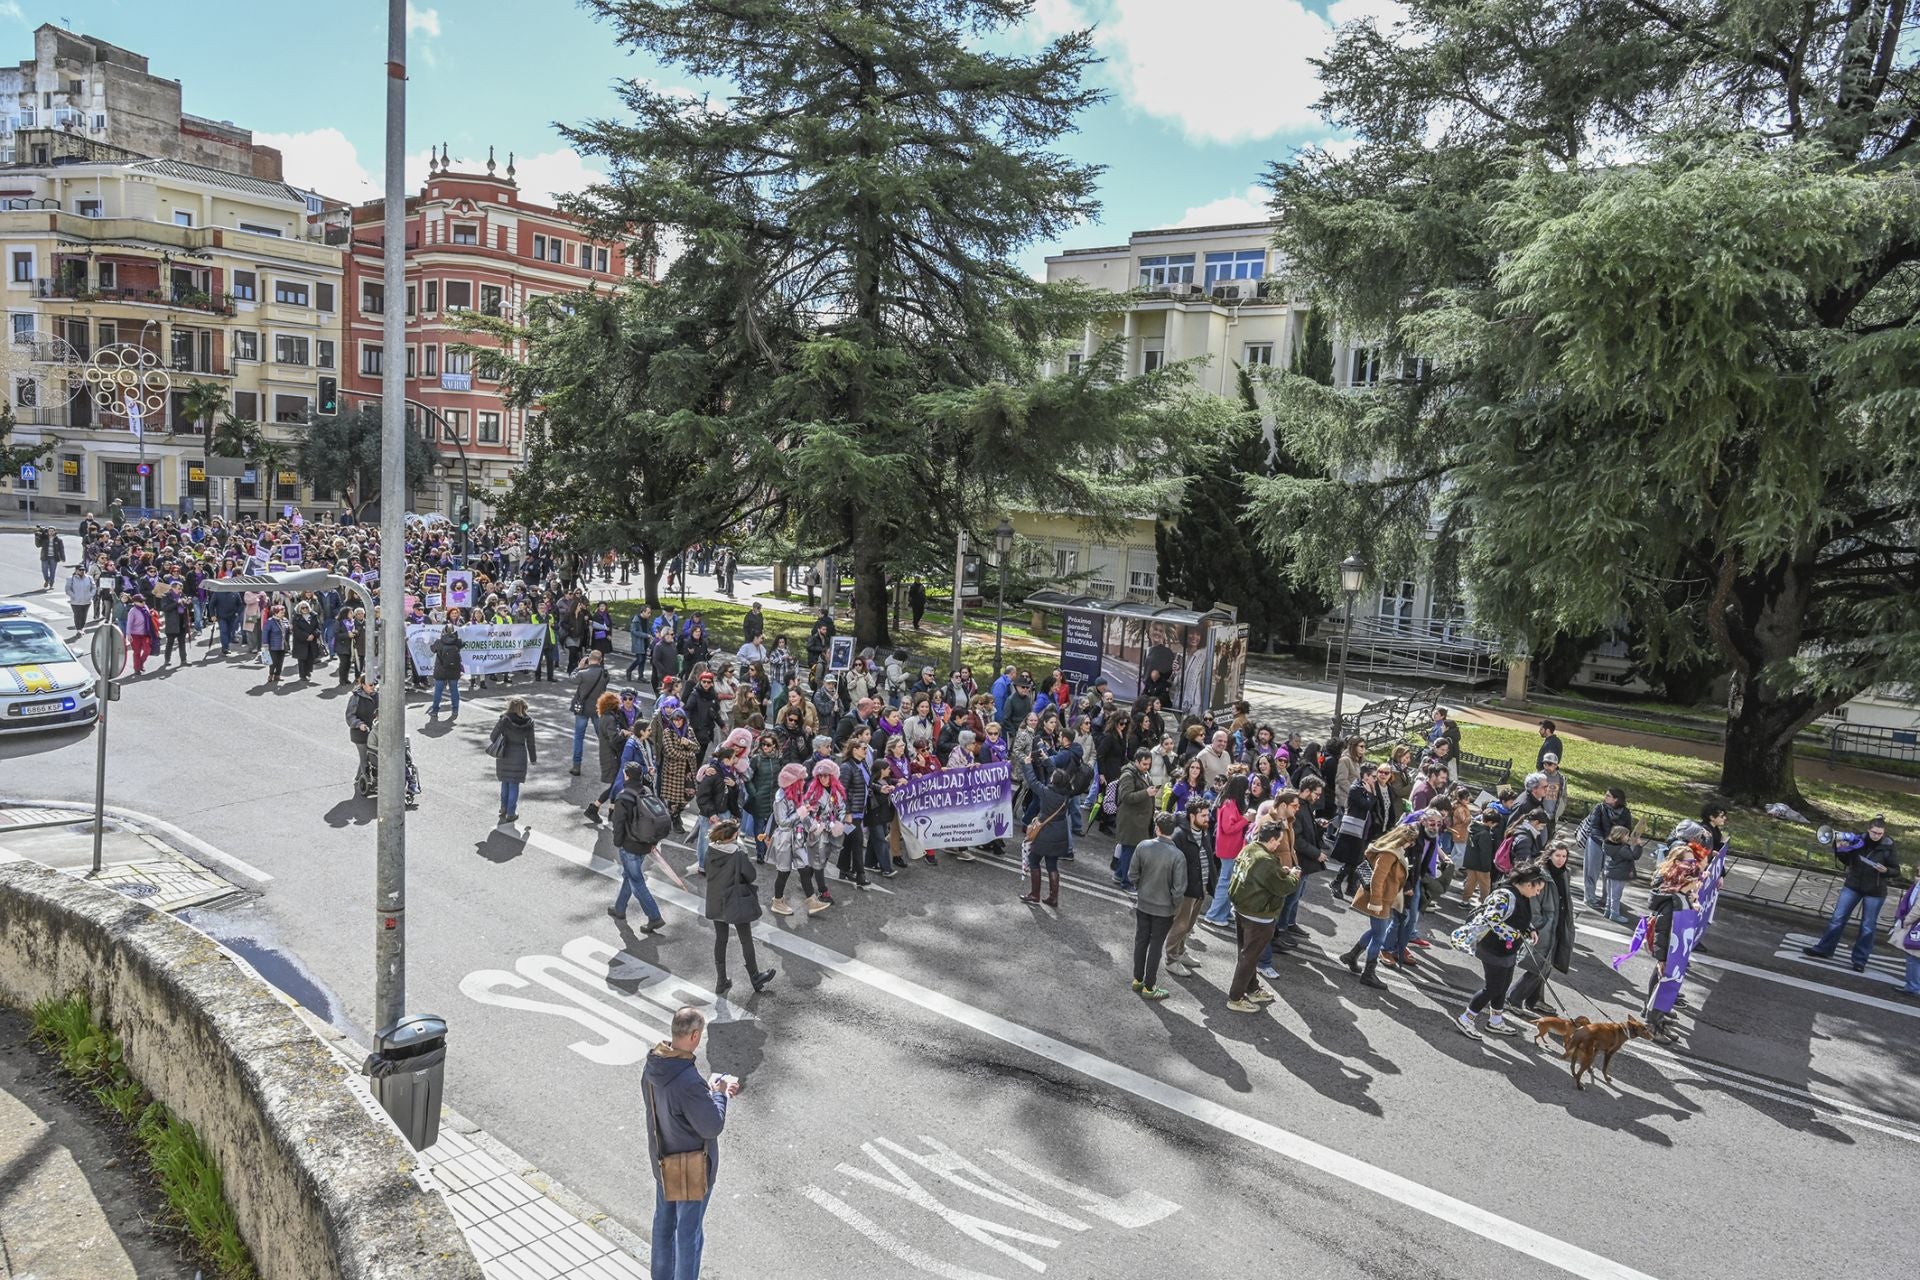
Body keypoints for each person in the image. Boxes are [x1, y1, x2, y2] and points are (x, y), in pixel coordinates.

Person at [644, 1006, 737, 1280]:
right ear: (694, 1035)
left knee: (664, 1224)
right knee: (688, 1235)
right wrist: (719, 1095)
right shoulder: (687, 1081)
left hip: (663, 1159)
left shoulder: (653, 1066)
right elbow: (711, 1125)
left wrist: (703, 1093)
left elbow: (668, 1108)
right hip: (690, 1168)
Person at [1451, 863, 1549, 1040]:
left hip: (1507, 949)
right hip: (1492, 948)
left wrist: (1529, 929)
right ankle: (1466, 1019)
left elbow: (1520, 918)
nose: (1538, 893)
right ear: (1529, 884)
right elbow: (1491, 919)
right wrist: (1512, 934)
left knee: (1504, 985)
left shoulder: (1522, 894)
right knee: (1493, 987)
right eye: (1538, 889)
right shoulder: (1504, 895)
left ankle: (1495, 1021)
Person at [1802, 816, 1900, 971]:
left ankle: (1859, 961)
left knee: (1868, 926)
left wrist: (1886, 870)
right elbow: (1848, 861)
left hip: (1875, 891)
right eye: (1874, 832)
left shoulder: (1888, 845)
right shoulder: (1858, 840)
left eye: (1880, 833)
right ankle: (1824, 949)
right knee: (1837, 918)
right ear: (1868, 830)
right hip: (1853, 885)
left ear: (1884, 832)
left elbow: (1896, 871)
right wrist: (1840, 849)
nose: (1876, 836)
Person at [1224, 821, 1299, 1013]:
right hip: (1259, 915)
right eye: (1278, 841)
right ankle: (1235, 998)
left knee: (1246, 954)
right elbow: (1283, 887)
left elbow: (1260, 877)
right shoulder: (1266, 860)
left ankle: (1252, 988)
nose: (1279, 845)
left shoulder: (1249, 848)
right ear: (1271, 839)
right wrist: (1293, 876)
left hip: (1242, 909)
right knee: (1250, 957)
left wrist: (1279, 872)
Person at [704, 820, 776, 995]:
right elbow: (750, 875)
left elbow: (707, 870)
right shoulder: (737, 855)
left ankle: (721, 981)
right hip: (735, 900)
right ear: (734, 836)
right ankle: (755, 976)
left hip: (715, 898)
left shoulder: (710, 850)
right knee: (746, 939)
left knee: (721, 940)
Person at [1508, 842, 1574, 1015]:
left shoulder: (1565, 873)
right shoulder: (1541, 873)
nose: (1561, 860)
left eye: (1564, 856)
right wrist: (1538, 924)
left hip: (1559, 924)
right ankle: (1513, 998)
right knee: (1538, 966)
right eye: (1557, 855)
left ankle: (1535, 1000)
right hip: (1545, 925)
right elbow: (1533, 903)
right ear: (1549, 855)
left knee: (1547, 965)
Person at [1129, 813, 1187, 999]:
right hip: (1164, 909)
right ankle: (1150, 985)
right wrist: (1175, 906)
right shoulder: (1178, 856)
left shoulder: (1143, 846)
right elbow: (1179, 889)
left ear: (1157, 827)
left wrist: (1141, 889)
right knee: (1156, 945)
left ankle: (1137, 979)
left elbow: (1132, 874)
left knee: (1141, 941)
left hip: (1144, 903)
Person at [608, 762, 669, 932]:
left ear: (626, 775)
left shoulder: (623, 796)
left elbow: (618, 823)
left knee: (637, 882)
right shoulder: (647, 792)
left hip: (630, 845)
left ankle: (654, 917)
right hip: (646, 842)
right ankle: (619, 908)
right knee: (630, 875)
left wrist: (618, 843)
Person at [1163, 800, 1211, 974]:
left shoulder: (1204, 833)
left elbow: (1208, 860)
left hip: (1201, 887)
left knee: (1189, 925)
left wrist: (1210, 883)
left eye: (1208, 814)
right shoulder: (1179, 836)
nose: (1208, 818)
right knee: (1180, 925)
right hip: (1186, 890)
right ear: (1192, 816)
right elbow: (1171, 865)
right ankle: (1171, 959)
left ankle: (1181, 952)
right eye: (1203, 815)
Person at [1578, 787, 1635, 908]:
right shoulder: (1600, 808)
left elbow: (1627, 829)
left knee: (1608, 872)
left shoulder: (1625, 812)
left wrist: (1619, 841)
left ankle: (1606, 899)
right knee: (1591, 870)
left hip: (1613, 845)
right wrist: (1603, 840)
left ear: (1616, 799)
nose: (1605, 797)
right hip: (1596, 842)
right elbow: (1594, 827)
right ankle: (1589, 898)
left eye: (1608, 796)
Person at [1111, 747, 1156, 893]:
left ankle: (1119, 875)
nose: (1147, 767)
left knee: (1129, 850)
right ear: (1136, 761)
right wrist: (1146, 793)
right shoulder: (1128, 775)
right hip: (1131, 820)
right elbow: (1126, 797)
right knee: (1129, 852)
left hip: (1139, 820)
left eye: (1149, 764)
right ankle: (1126, 882)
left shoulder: (1143, 773)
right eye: (1144, 764)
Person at [488, 696, 537, 823]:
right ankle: (511, 813)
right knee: (514, 784)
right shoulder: (529, 722)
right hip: (520, 755)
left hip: (504, 753)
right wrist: (533, 758)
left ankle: (503, 808)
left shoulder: (504, 719)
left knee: (505, 782)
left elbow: (493, 737)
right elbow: (531, 743)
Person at [570, 650, 611, 776]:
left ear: (589, 659)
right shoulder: (604, 674)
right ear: (601, 660)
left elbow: (572, 679)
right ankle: (608, 764)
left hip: (582, 709)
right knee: (603, 737)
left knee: (579, 737)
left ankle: (576, 766)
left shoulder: (582, 674)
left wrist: (578, 668)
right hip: (598, 709)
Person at [346, 674, 378, 788]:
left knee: (369, 755)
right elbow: (350, 716)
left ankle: (358, 777)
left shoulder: (376, 696)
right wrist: (359, 724)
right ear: (363, 685)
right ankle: (367, 781)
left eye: (374, 684)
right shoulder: (355, 698)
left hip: (373, 732)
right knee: (365, 756)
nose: (373, 687)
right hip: (360, 733)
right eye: (370, 685)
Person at [428, 621, 465, 719]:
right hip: (454, 669)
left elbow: (432, 649)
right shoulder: (458, 641)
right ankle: (455, 710)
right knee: (454, 690)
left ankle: (435, 711)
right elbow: (463, 644)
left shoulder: (439, 642)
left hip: (441, 669)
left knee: (438, 691)